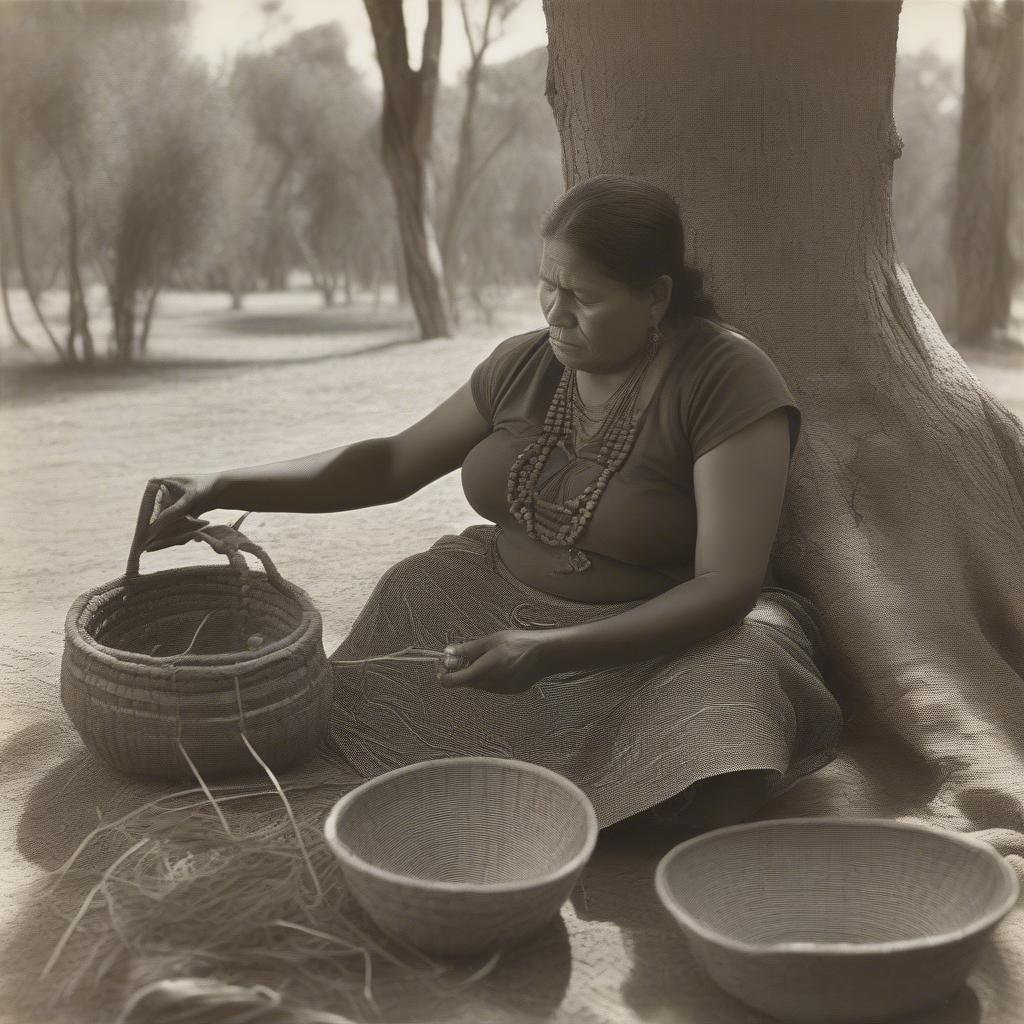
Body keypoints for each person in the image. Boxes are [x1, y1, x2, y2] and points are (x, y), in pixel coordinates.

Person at [132, 174, 843, 834]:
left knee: (744, 675)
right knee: (414, 589)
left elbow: (728, 585)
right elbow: (391, 463)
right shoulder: (524, 364)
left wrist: (553, 652)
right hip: (497, 604)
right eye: (547, 287)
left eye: (585, 299)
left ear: (656, 297)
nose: (557, 315)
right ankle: (592, 797)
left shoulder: (726, 379)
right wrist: (225, 485)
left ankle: (636, 792)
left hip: (659, 638)